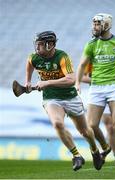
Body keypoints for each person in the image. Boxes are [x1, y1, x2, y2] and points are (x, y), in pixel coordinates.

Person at [25, 31, 104, 171]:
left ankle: (95, 151)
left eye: (41, 45)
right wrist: (28, 81)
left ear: (50, 45)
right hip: (51, 98)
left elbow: (71, 80)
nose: (37, 48)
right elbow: (30, 65)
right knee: (57, 124)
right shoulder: (33, 58)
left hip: (70, 97)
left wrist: (47, 82)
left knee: (85, 131)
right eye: (37, 44)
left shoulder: (62, 57)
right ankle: (76, 156)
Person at [76, 13, 115, 171]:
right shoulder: (91, 46)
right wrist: (77, 82)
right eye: (94, 24)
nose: (95, 27)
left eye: (98, 24)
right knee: (91, 125)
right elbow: (82, 69)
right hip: (97, 88)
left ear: (106, 25)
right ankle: (106, 148)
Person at [82, 64, 115, 166]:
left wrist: (109, 79)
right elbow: (82, 77)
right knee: (110, 127)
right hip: (99, 94)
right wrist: (98, 80)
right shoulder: (91, 60)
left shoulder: (113, 56)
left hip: (114, 91)